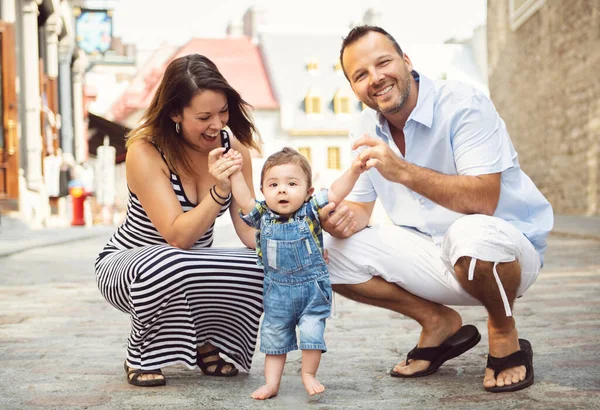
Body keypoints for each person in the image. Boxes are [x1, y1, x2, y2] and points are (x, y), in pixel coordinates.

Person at [318, 26, 553, 393]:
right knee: (322, 253)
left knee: (469, 233)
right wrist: (339, 220)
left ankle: (503, 330)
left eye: (383, 63)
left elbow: (483, 201)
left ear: (406, 61)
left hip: (503, 256)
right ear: (352, 87)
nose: (375, 79)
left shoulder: (463, 104)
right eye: (360, 75)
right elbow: (360, 208)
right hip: (431, 254)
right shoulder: (365, 127)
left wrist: (403, 171)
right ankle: (438, 322)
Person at [95, 54, 264, 387]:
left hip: (189, 263)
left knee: (263, 265)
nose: (217, 124)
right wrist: (218, 190)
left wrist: (287, 247)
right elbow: (177, 237)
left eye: (223, 111)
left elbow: (248, 230)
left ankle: (207, 341)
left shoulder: (236, 150)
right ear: (175, 112)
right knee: (169, 261)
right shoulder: (146, 151)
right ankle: (141, 354)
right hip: (132, 267)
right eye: (204, 117)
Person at [227, 147, 363, 399]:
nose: (282, 190)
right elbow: (244, 199)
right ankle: (271, 383)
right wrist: (235, 173)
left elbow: (335, 192)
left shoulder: (310, 210)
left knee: (312, 332)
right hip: (277, 291)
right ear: (263, 191)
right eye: (273, 184)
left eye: (291, 183)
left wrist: (354, 170)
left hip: (312, 289)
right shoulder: (262, 215)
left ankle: (308, 374)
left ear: (308, 192)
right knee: (274, 337)